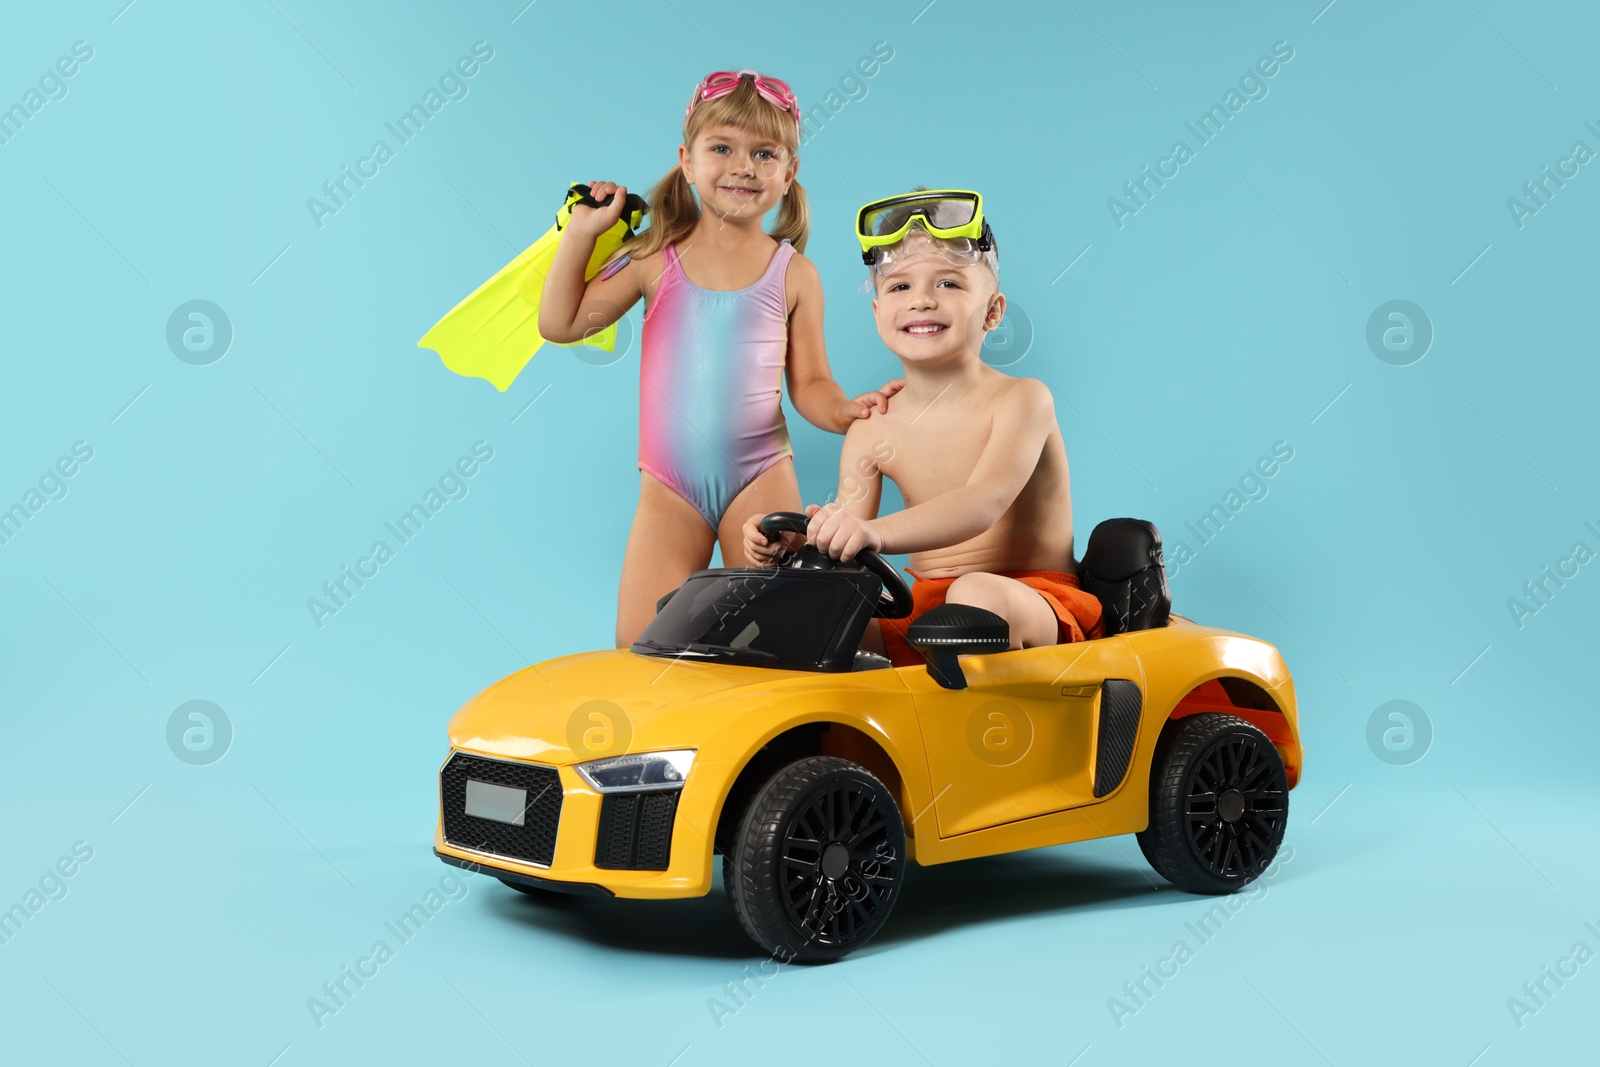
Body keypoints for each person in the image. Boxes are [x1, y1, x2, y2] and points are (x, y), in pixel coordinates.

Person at [539, 70, 904, 648]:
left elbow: (810, 383)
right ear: (687, 160)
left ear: (789, 173)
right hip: (668, 483)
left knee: (781, 644)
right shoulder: (654, 257)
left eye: (765, 153)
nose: (744, 166)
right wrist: (581, 233)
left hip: (760, 475)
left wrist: (846, 412)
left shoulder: (795, 274)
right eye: (722, 148)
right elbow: (560, 324)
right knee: (640, 647)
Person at [741, 188, 1104, 663]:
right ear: (877, 314)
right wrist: (798, 544)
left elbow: (982, 504)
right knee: (804, 622)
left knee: (976, 594)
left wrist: (877, 534)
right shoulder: (873, 428)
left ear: (993, 312)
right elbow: (849, 535)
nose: (922, 301)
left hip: (1032, 600)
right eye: (899, 286)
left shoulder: (1022, 400)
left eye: (949, 284)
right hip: (922, 609)